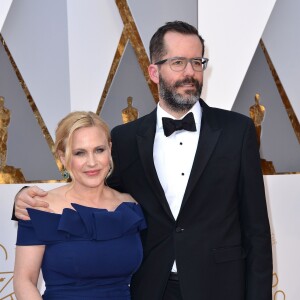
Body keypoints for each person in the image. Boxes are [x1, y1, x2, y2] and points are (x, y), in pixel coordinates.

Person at [14, 21, 272, 300]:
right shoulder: (125, 139)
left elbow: (257, 231)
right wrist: (22, 197)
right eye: (178, 62)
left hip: (220, 287)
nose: (190, 72)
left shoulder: (237, 131)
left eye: (197, 62)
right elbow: (93, 191)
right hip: (149, 287)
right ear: (153, 71)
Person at [13, 111, 146, 300]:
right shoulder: (40, 207)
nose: (92, 162)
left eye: (99, 150)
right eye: (79, 153)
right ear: (62, 157)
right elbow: (24, 280)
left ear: (110, 149)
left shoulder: (131, 205)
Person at [0, 96, 11, 170]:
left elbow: (7, 122)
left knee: (3, 147)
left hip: (3, 131)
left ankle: (3, 165)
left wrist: (3, 126)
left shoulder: (7, 111)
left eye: (1, 102)